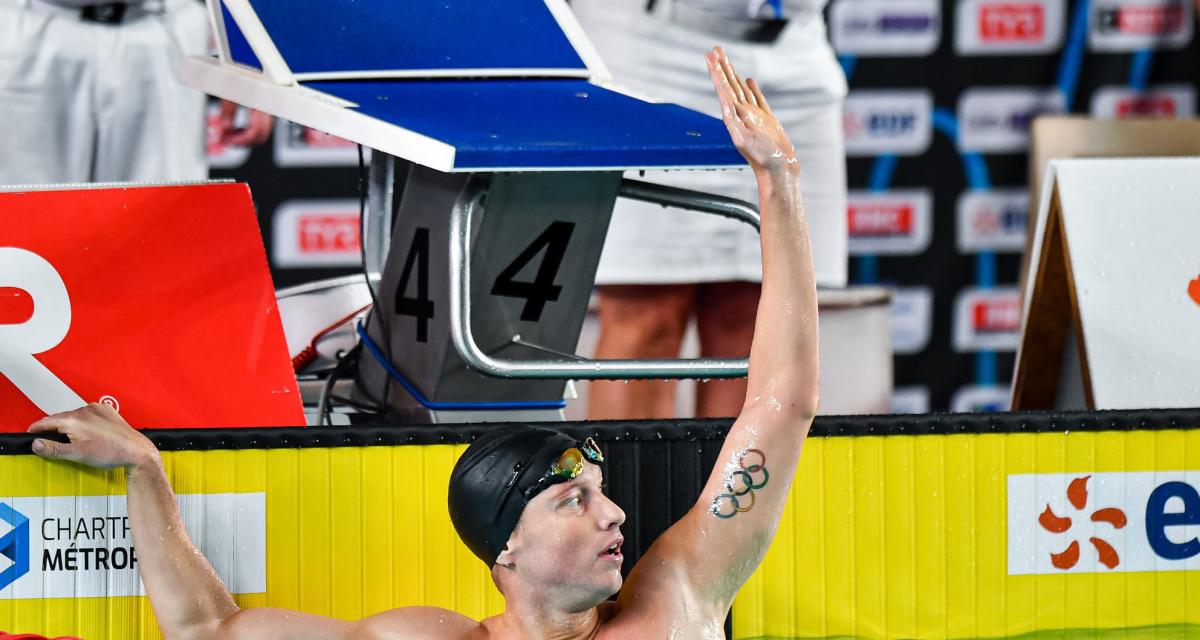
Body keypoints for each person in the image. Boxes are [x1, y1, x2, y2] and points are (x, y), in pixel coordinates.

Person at [28, 47, 820, 640]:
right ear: (505, 546)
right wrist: (145, 473)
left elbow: (781, 407)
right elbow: (210, 631)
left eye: (598, 491)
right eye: (573, 500)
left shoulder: (675, 605)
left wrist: (778, 184)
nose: (615, 513)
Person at [572, 0, 846, 420]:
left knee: (757, 320)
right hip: (652, 43)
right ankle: (627, 485)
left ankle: (735, 488)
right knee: (648, 317)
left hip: (795, 44)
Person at [0, 0, 271, 185]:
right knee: (25, 236)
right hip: (32, 22)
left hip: (162, 23)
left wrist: (245, 44)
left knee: (161, 231)